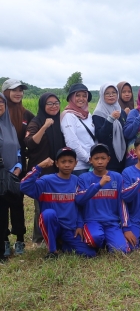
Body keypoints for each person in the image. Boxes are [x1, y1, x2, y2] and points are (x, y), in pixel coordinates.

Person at [20, 149, 97, 259]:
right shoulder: (46, 180)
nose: (67, 164)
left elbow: (80, 205)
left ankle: (62, 244)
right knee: (48, 214)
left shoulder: (77, 181)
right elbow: (24, 186)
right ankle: (52, 251)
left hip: (69, 228)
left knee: (90, 253)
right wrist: (39, 167)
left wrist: (80, 225)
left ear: (75, 163)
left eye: (70, 161)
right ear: (57, 163)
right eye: (63, 161)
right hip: (52, 225)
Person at [75, 144, 140, 254]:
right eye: (96, 158)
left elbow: (122, 204)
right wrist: (98, 185)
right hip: (92, 221)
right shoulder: (83, 178)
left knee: (122, 251)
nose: (100, 162)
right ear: (90, 160)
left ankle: (111, 241)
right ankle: (102, 241)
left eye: (103, 158)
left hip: (112, 223)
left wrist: (126, 228)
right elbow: (79, 201)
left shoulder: (116, 177)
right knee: (95, 239)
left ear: (108, 159)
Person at [25, 92, 66, 246]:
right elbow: (30, 143)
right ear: (43, 105)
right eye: (49, 103)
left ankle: (55, 235)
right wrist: (45, 126)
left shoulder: (60, 121)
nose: (54, 106)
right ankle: (39, 239)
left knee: (55, 204)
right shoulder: (36, 122)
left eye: (56, 103)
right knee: (40, 205)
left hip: (58, 170)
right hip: (41, 171)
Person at [2, 79, 33, 255]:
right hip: (2, 163)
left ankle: (20, 239)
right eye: (14, 90)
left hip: (19, 163)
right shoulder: (1, 112)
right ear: (5, 92)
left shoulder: (26, 114)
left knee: (17, 201)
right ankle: (4, 238)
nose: (18, 93)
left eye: (21, 90)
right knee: (1, 203)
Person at [0, 93, 23, 260]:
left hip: (13, 174)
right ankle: (4, 242)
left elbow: (18, 150)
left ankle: (20, 240)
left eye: (1, 102)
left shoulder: (11, 126)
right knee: (1, 211)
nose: (0, 105)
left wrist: (19, 166)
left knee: (17, 207)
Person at [60, 83, 95, 176]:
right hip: (79, 166)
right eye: (78, 95)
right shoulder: (68, 116)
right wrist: (88, 159)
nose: (81, 98)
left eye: (84, 96)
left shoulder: (88, 115)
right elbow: (72, 142)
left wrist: (95, 158)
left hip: (92, 164)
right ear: (71, 97)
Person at [92, 84, 127, 172]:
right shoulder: (98, 113)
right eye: (107, 93)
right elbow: (100, 136)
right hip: (107, 159)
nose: (111, 95)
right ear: (102, 95)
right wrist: (110, 119)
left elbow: (125, 132)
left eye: (114, 93)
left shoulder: (121, 111)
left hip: (123, 157)